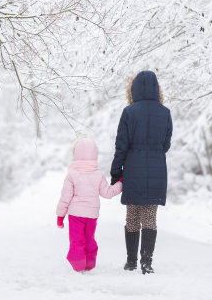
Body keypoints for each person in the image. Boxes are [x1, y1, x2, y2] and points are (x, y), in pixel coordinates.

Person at [110, 70, 173, 274]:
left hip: (133, 170)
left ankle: (131, 262)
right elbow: (166, 144)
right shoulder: (165, 113)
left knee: (132, 217)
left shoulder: (129, 112)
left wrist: (115, 171)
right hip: (157, 171)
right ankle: (147, 263)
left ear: (134, 89)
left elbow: (121, 145)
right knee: (150, 217)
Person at [56, 137, 122, 272]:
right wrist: (120, 183)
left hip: (75, 215)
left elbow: (65, 197)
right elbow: (107, 193)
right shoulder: (98, 175)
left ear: (76, 154)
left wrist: (60, 215)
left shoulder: (71, 174)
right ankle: (89, 262)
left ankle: (78, 264)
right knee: (89, 239)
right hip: (92, 214)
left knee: (77, 240)